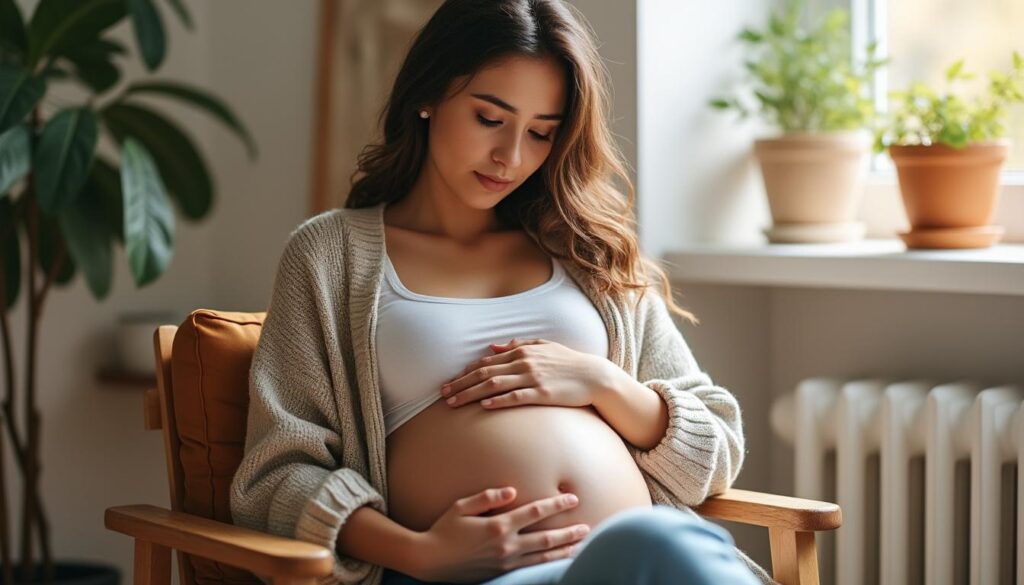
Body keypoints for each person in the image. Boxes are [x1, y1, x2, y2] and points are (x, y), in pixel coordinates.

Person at [230, 1, 773, 584]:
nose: (511, 158)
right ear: (429, 95)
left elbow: (716, 444)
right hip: (469, 577)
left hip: (633, 561)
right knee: (659, 544)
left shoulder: (587, 252)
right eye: (490, 118)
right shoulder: (329, 255)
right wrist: (420, 552)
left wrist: (601, 383)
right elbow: (277, 476)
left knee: (660, 541)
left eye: (541, 132)